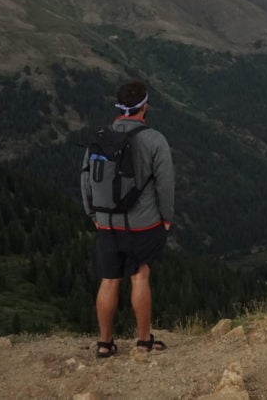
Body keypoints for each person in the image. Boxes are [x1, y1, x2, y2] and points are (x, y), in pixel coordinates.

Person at [81, 79, 174, 358]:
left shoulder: (100, 136)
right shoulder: (154, 139)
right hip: (142, 223)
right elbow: (165, 184)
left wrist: (93, 214)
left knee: (109, 281)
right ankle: (144, 341)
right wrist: (166, 217)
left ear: (119, 107)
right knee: (140, 276)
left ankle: (104, 343)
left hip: (107, 222)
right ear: (144, 107)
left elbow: (86, 178)